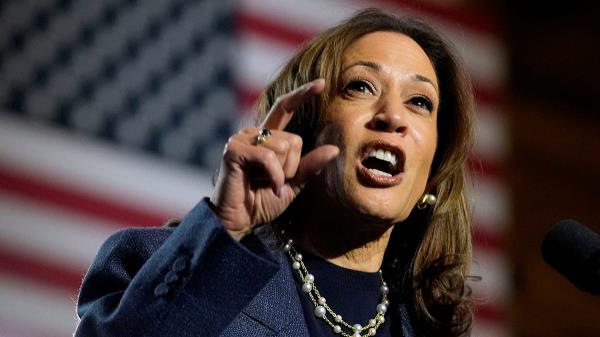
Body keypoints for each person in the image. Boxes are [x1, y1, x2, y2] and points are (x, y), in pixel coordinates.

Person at [75, 8, 475, 337]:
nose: (392, 116)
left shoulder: (431, 329)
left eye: (420, 101)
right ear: (302, 129)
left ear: (434, 171)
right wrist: (226, 228)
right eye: (361, 87)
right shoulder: (166, 270)